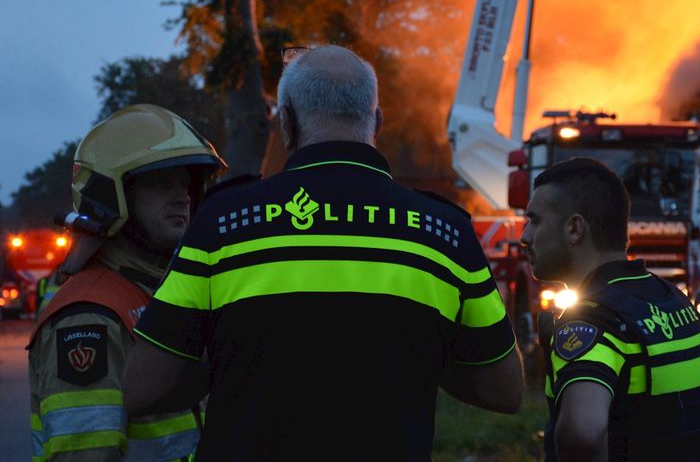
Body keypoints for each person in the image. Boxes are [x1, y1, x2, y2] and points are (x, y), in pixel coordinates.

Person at [122, 44, 525, 460]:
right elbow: (506, 389)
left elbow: (143, 388)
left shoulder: (223, 222)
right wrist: (417, 350)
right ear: (378, 122)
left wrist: (233, 358)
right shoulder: (445, 232)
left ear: (289, 123)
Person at [27, 103, 227, 461]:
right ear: (111, 195)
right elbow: (87, 454)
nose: (182, 196)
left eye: (186, 184)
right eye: (162, 183)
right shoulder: (90, 317)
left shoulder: (160, 292)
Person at [522, 157, 700, 461]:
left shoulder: (591, 321)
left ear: (575, 228)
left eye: (535, 221)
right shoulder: (676, 303)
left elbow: (583, 433)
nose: (525, 237)